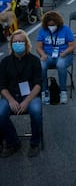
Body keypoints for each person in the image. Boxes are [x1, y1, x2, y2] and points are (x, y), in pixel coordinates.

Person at [0, 29, 42, 157]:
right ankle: (13, 142)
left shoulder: (34, 60)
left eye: (20, 41)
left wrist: (27, 101)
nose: (18, 43)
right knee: (0, 113)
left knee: (35, 111)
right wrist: (11, 100)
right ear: (11, 44)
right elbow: (1, 86)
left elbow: (38, 85)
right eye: (15, 41)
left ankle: (35, 143)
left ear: (26, 44)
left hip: (30, 96)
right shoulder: (5, 62)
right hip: (10, 96)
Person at [36, 11, 75, 105]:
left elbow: (72, 46)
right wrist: (42, 54)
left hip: (63, 55)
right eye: (49, 25)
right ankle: (44, 92)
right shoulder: (43, 30)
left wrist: (65, 52)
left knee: (61, 64)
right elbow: (38, 47)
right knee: (41, 66)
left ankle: (63, 91)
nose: (51, 27)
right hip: (48, 55)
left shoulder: (66, 29)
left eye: (53, 25)